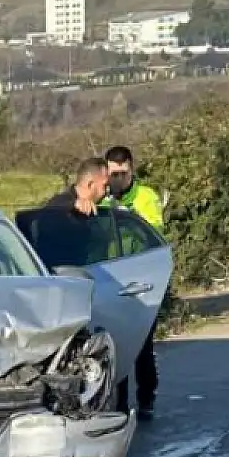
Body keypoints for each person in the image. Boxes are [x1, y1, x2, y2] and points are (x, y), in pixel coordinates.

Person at [99, 145, 164, 422]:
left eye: (122, 174)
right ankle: (120, 403)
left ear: (131, 170)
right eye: (112, 175)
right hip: (109, 278)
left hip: (140, 278)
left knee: (142, 344)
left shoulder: (146, 196)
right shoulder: (101, 199)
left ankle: (147, 395)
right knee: (114, 343)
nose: (116, 181)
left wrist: (125, 214)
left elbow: (154, 231)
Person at [28, 158, 111, 271]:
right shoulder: (61, 207)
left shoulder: (98, 210)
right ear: (90, 184)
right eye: (104, 186)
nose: (107, 190)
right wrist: (72, 205)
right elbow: (51, 212)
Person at [99, 145, 165, 228]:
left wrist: (131, 217)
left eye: (124, 173)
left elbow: (156, 232)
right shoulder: (99, 196)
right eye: (115, 174)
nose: (120, 178)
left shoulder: (147, 196)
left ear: (131, 170)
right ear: (106, 172)